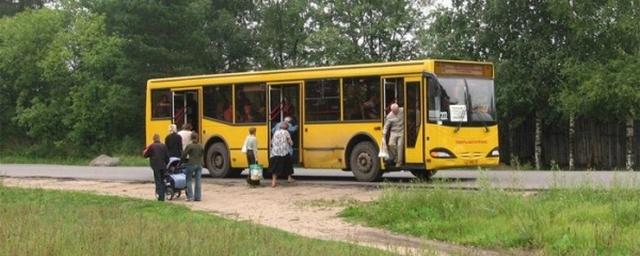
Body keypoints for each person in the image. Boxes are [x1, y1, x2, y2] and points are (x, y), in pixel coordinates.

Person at [143, 134, 169, 201]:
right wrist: (166, 163)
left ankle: (160, 197)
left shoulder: (151, 146)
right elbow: (167, 157)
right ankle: (163, 195)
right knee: (162, 180)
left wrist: (145, 152)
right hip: (163, 166)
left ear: (153, 139)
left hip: (155, 166)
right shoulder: (164, 146)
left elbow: (145, 155)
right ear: (159, 138)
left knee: (158, 180)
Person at [270, 122, 294, 187]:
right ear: (286, 128)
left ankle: (273, 182)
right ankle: (289, 178)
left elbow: (272, 142)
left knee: (275, 168)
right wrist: (291, 144)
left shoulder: (276, 132)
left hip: (275, 152)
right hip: (284, 152)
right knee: (288, 164)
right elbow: (290, 142)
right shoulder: (286, 132)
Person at [181, 133, 204, 201]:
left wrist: (181, 161)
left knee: (188, 179)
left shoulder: (190, 146)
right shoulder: (201, 146)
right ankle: (198, 197)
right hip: (199, 164)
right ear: (197, 138)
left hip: (191, 164)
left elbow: (184, 155)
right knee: (198, 180)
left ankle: (190, 196)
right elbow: (202, 154)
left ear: (191, 138)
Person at [383, 103, 404, 167]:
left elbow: (415, 112)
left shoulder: (402, 110)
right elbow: (386, 126)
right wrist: (384, 133)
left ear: (398, 108)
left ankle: (399, 162)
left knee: (400, 146)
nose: (396, 112)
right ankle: (395, 157)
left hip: (402, 131)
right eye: (394, 111)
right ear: (392, 110)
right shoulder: (389, 116)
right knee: (391, 144)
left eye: (396, 110)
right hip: (394, 132)